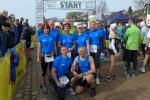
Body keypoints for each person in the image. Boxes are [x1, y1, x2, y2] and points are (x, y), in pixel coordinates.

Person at [37, 24, 57, 93]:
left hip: (51, 55)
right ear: (43, 29)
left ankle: (53, 83)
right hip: (44, 56)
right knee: (44, 71)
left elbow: (54, 46)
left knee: (52, 70)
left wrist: (56, 54)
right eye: (45, 28)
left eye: (47, 28)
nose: (46, 29)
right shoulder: (40, 36)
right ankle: (44, 85)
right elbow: (39, 48)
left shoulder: (52, 36)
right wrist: (38, 57)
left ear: (49, 29)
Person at [88, 20, 105, 85]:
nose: (93, 26)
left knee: (97, 63)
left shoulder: (100, 32)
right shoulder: (88, 32)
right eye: (91, 25)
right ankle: (93, 76)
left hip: (97, 49)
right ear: (90, 26)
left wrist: (103, 50)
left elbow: (102, 41)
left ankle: (97, 77)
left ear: (96, 25)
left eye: (94, 24)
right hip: (90, 50)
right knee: (91, 63)